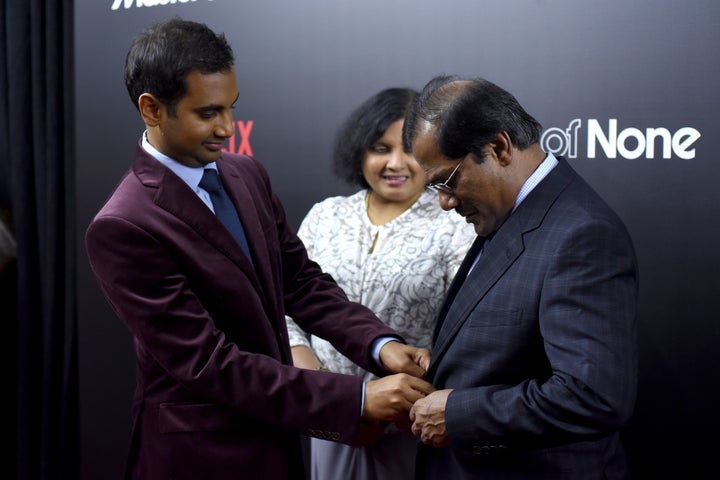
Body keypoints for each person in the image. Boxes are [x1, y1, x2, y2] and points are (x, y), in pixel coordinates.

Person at [84, 18, 435, 480]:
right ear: (151, 109)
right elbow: (209, 364)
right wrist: (357, 399)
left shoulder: (244, 174)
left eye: (232, 108)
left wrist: (379, 344)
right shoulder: (123, 225)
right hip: (202, 457)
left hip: (281, 443)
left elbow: (300, 283)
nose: (228, 128)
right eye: (208, 113)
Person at [403, 75, 639, 479]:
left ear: (498, 147)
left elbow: (593, 396)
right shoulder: (512, 214)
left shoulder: (581, 233)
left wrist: (458, 414)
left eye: (448, 180)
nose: (444, 202)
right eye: (434, 188)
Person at [285, 88, 476, 479]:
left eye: (409, 149)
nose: (395, 163)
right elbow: (286, 307)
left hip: (412, 424)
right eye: (379, 148)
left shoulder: (455, 223)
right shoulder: (325, 216)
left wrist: (417, 402)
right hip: (328, 417)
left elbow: (470, 330)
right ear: (359, 151)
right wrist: (324, 390)